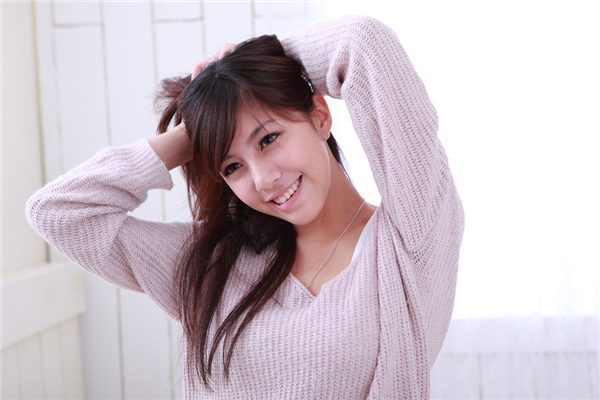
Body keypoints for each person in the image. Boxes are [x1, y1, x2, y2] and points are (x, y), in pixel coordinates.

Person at [26, 14, 465, 399]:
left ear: (319, 115)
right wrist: (195, 131)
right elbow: (58, 212)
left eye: (268, 139)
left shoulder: (410, 242)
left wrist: (251, 66)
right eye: (232, 166)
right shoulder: (215, 265)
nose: (262, 179)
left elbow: (363, 42)